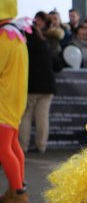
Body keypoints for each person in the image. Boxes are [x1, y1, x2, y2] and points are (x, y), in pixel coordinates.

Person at [0, 0, 29, 203]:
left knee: (3, 148)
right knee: (12, 145)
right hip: (15, 100)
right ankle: (16, 189)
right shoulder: (17, 34)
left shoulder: (4, 36)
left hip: (3, 100)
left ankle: (18, 195)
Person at [19, 23, 62, 154]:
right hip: (47, 87)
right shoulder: (46, 45)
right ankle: (41, 146)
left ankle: (23, 147)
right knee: (42, 117)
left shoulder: (22, 47)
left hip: (29, 87)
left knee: (26, 116)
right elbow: (58, 66)